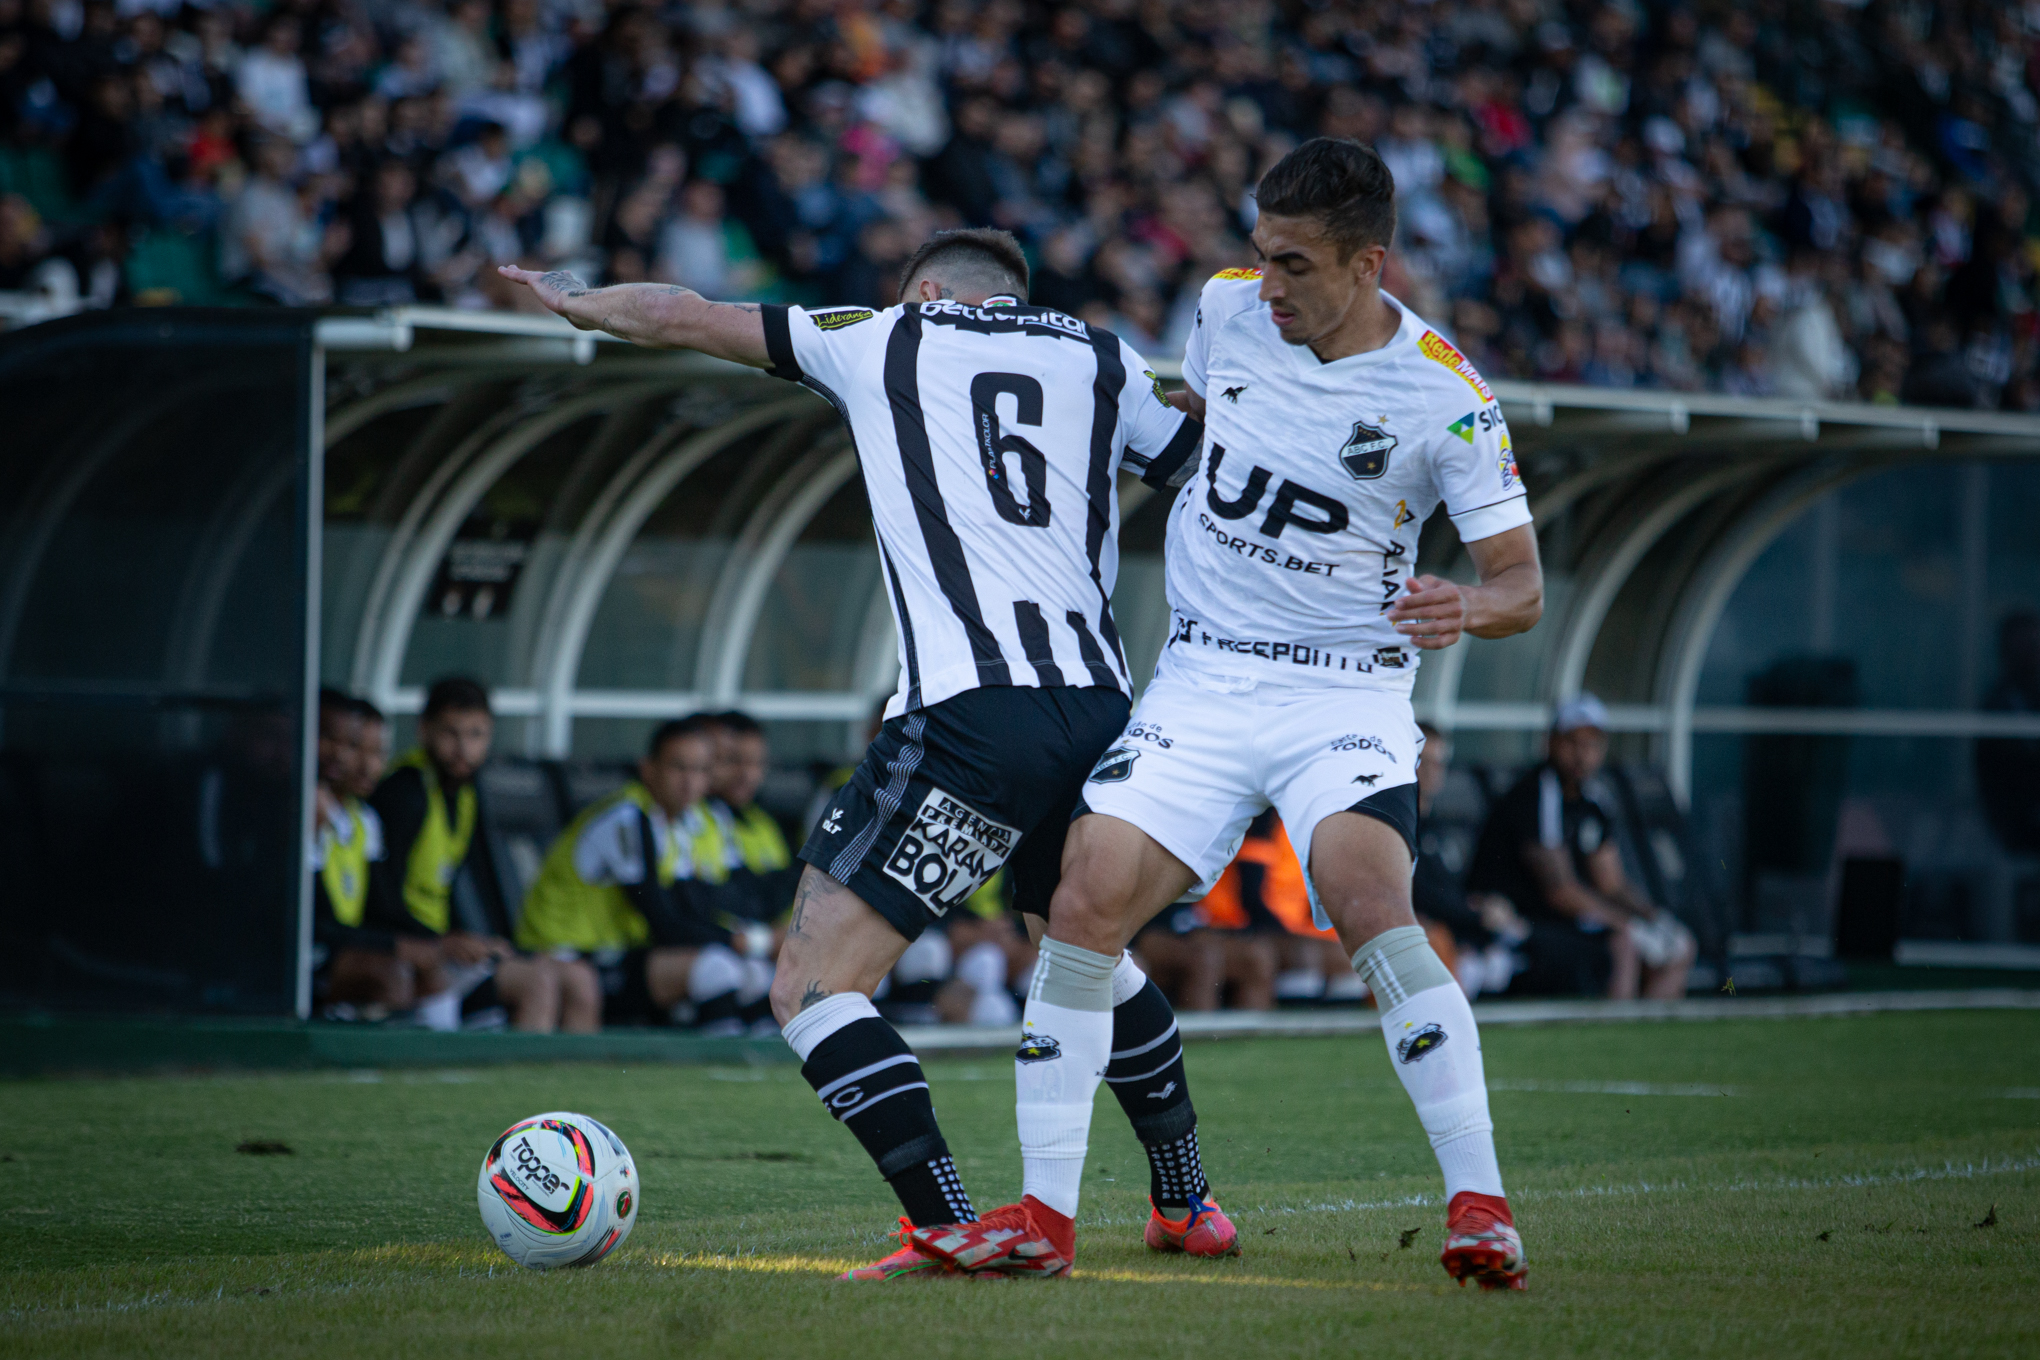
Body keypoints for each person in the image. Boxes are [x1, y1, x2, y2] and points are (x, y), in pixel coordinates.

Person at [500, 224, 1231, 1281]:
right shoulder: (1103, 354)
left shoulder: (889, 334)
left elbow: (685, 314)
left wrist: (580, 299)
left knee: (810, 983)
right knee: (1082, 955)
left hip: (974, 715)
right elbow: (1203, 476)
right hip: (1102, 707)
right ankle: (1185, 1199)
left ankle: (942, 1220)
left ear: (931, 291)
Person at [918, 139, 1544, 1288]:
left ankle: (1481, 1204)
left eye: (1297, 266)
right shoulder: (1225, 310)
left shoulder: (1445, 396)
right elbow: (1207, 430)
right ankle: (1044, 1220)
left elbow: (1522, 582)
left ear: (1369, 264)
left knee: (1366, 900)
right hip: (1202, 677)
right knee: (1085, 897)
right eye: (1261, 257)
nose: (1270, 286)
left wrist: (1471, 602)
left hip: (1340, 690)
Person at [516, 716, 771, 1033]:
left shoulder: (680, 822)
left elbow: (695, 905)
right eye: (678, 768)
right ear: (648, 768)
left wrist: (751, 941)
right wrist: (742, 941)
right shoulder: (626, 817)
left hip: (619, 954)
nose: (690, 782)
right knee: (717, 968)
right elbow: (659, 916)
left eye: (701, 770)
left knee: (754, 972)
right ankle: (714, 1066)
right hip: (568, 954)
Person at [369, 676, 591, 1033]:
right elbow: (379, 896)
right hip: (405, 946)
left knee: (568, 976)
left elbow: (459, 884)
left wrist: (488, 943)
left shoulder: (466, 793)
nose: (463, 749)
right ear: (424, 731)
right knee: (537, 982)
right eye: (450, 734)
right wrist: (444, 942)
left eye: (476, 735)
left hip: (439, 945)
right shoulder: (404, 793)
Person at [1465, 694, 1697, 1001]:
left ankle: (1653, 1042)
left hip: (1566, 920)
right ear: (1551, 742)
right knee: (1623, 942)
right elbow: (1559, 892)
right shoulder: (1536, 793)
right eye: (1572, 742)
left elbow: (1611, 882)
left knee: (1680, 945)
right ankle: (1616, 1035)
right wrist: (1626, 923)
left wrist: (1653, 918)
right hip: (1518, 920)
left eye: (1592, 744)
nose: (1582, 755)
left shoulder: (1595, 799)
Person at [310, 690, 446, 1018]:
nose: (361, 763)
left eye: (377, 752)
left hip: (342, 944)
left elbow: (382, 906)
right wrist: (397, 946)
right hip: (309, 954)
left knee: (438, 966)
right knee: (392, 971)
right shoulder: (306, 810)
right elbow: (312, 918)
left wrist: (441, 944)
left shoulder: (363, 820)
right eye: (352, 746)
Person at [693, 710, 801, 922]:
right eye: (734, 761)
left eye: (757, 763)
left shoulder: (765, 822)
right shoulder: (695, 818)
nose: (747, 775)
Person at [1977, 610, 2040, 855]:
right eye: (2021, 648)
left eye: (2033, 646)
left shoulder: (2030, 701)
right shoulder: (1996, 709)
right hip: (2014, 832)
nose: (2029, 656)